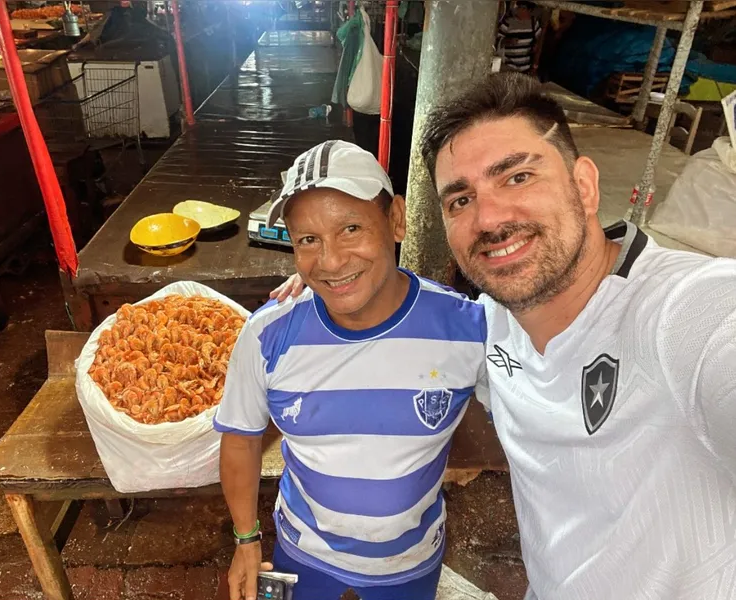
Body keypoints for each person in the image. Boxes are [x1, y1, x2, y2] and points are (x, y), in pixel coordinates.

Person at [273, 72, 736, 599]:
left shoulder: (687, 312)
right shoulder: (491, 323)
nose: (489, 218)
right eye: (460, 200)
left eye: (517, 177)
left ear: (583, 185)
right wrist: (330, 274)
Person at [214, 140, 487, 600]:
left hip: (412, 561)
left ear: (396, 220)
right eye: (308, 240)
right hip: (302, 553)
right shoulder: (268, 334)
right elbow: (240, 436)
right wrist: (246, 540)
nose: (332, 261)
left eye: (351, 229)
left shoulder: (466, 329)